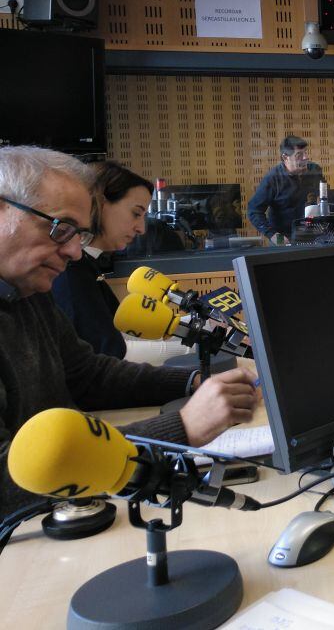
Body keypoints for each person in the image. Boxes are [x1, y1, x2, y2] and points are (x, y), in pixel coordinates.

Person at [1, 146, 258, 515]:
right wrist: (181, 427)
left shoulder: (29, 291)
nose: (75, 251)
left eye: (79, 233)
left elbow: (87, 376)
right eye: (61, 228)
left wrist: (193, 383)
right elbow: (7, 481)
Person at [51, 161, 151, 357]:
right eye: (136, 213)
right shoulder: (71, 273)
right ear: (100, 203)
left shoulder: (87, 267)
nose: (141, 228)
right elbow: (107, 353)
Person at [247, 135, 326, 245]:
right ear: (285, 157)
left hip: (311, 235)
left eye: (305, 152)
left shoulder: (314, 170)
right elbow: (254, 211)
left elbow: (325, 196)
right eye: (299, 155)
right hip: (283, 238)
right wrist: (273, 235)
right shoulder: (273, 178)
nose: (305, 157)